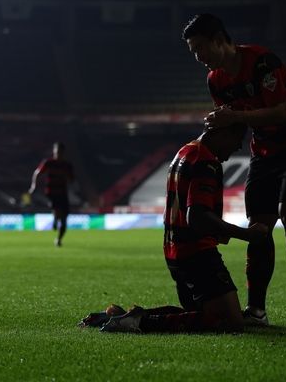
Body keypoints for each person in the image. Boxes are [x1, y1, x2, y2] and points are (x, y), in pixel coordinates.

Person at [182, 14, 286, 324]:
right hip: (264, 151)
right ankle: (257, 309)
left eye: (200, 48)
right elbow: (233, 125)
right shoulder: (215, 80)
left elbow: (282, 113)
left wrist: (232, 118)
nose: (198, 57)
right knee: (259, 227)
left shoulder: (262, 62)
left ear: (219, 39)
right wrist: (214, 136)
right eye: (193, 51)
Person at [81, 124, 268, 333]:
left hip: (175, 251)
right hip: (197, 254)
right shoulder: (206, 161)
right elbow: (197, 216)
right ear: (223, 132)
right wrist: (246, 234)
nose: (238, 147)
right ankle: (139, 322)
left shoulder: (185, 151)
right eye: (238, 139)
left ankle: (123, 317)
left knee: (198, 313)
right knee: (230, 322)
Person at [29, 142, 74, 247]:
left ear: (63, 153)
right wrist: (33, 186)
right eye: (57, 152)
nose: (58, 154)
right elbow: (37, 173)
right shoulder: (48, 163)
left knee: (64, 219)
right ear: (54, 152)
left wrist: (66, 176)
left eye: (60, 152)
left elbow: (72, 179)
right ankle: (55, 217)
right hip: (52, 192)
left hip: (63, 192)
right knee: (58, 210)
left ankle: (58, 239)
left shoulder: (67, 165)